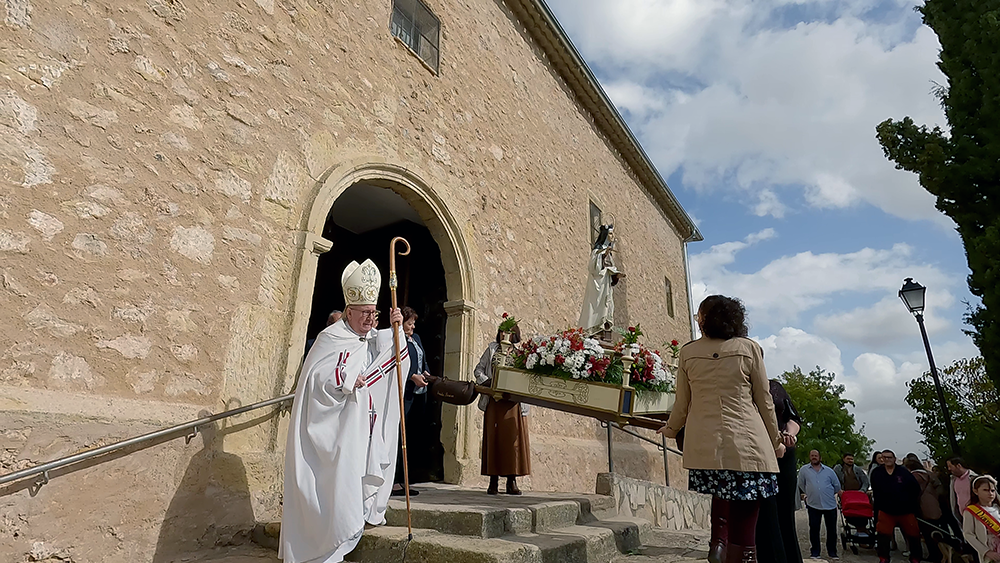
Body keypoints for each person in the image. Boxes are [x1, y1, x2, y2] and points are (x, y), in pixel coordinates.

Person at [279, 259, 410, 563]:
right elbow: (316, 379)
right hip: (331, 434)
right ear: (348, 311)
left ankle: (342, 542)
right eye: (365, 313)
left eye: (373, 313)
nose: (369, 319)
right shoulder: (330, 339)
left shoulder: (366, 338)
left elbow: (394, 355)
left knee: (349, 488)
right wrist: (346, 379)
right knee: (332, 489)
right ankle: (320, 550)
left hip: (356, 431)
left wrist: (396, 325)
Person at [658, 295, 784, 563]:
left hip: (707, 446)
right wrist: (776, 442)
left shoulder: (688, 352)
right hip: (748, 442)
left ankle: (718, 544)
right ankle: (744, 555)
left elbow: (682, 403)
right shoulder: (749, 348)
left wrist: (670, 429)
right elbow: (765, 401)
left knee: (722, 496)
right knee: (747, 513)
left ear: (703, 321)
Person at [473, 324, 530, 495]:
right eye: (502, 331)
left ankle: (511, 481)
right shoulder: (491, 349)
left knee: (512, 442)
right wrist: (488, 383)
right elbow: (478, 370)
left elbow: (526, 376)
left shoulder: (520, 354)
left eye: (509, 332)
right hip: (494, 401)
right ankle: (493, 481)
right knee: (494, 440)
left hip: (512, 403)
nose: (505, 335)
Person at [756, 379, 804, 563]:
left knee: (785, 511)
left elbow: (793, 418)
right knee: (766, 512)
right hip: (758, 452)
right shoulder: (740, 385)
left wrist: (789, 434)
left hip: (785, 453)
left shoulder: (774, 386)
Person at [391, 306, 432, 497]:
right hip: (404, 394)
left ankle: (407, 478)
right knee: (400, 437)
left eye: (414, 323)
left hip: (418, 394)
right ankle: (395, 482)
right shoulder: (396, 340)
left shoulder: (416, 339)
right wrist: (411, 377)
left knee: (412, 436)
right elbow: (396, 365)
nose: (413, 327)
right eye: (410, 323)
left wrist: (425, 373)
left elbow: (423, 360)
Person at [869, 449, 922, 563]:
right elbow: (876, 491)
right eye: (884, 457)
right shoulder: (877, 472)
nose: (887, 460)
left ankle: (915, 558)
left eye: (889, 457)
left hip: (905, 510)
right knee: (883, 536)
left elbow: (915, 488)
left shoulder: (903, 472)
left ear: (894, 459)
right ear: (881, 459)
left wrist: (909, 502)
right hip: (885, 510)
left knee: (913, 535)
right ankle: (884, 558)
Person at [797, 450, 842, 560]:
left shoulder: (829, 471)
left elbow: (837, 486)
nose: (814, 457)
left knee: (831, 530)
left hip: (830, 505)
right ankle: (815, 552)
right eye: (812, 455)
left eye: (816, 456)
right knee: (814, 529)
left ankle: (832, 552)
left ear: (820, 457)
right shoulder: (804, 470)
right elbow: (801, 484)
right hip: (813, 505)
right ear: (809, 457)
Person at [578, 223, 621, 333]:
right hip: (598, 286)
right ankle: (594, 330)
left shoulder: (610, 254)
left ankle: (605, 330)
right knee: (596, 308)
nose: (612, 236)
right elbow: (593, 268)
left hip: (606, 287)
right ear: (605, 235)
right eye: (610, 234)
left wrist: (616, 276)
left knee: (607, 308)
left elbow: (611, 271)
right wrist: (603, 255)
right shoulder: (597, 252)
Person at [902, 454, 944, 562]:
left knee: (926, 533)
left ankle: (934, 555)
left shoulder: (913, 477)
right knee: (935, 532)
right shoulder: (930, 475)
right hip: (934, 506)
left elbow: (910, 492)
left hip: (921, 508)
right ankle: (940, 554)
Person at [964, 474, 1000, 562]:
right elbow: (968, 534)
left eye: (992, 490)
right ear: (975, 491)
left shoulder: (997, 508)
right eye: (985, 490)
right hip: (989, 552)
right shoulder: (971, 511)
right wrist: (986, 552)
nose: (990, 493)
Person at [948, 457, 980, 538]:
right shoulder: (953, 480)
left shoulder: (974, 478)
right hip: (963, 517)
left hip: (978, 516)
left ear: (958, 466)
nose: (949, 469)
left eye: (950, 466)